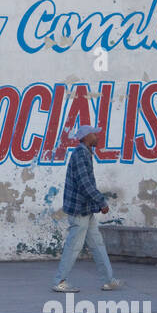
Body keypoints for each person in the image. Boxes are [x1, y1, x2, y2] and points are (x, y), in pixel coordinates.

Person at [52, 125, 124, 293]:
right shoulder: (81, 155)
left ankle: (108, 280)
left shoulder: (85, 153)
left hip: (85, 209)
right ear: (85, 137)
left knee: (97, 244)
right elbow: (85, 184)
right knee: (74, 246)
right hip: (79, 210)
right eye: (94, 134)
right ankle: (60, 281)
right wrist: (101, 202)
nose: (97, 136)